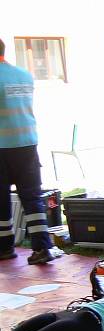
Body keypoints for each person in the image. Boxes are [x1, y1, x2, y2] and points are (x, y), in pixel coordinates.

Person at [0, 38, 56, 266]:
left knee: (0, 200)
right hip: (27, 143)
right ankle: (42, 247)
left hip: (2, 145)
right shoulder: (24, 75)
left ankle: (4, 248)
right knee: (33, 197)